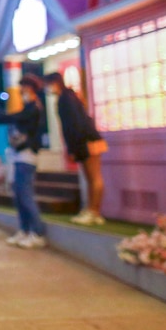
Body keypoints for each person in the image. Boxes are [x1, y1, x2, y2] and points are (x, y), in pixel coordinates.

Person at [0, 74, 48, 250]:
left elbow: (10, 118)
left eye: (23, 88)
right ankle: (25, 231)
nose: (21, 92)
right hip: (19, 156)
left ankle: (37, 233)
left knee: (25, 196)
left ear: (31, 89)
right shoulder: (29, 107)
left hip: (27, 157)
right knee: (19, 196)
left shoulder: (33, 108)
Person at [44, 72, 107, 226]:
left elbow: (75, 125)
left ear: (54, 82)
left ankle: (94, 211)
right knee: (90, 177)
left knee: (94, 177)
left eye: (47, 84)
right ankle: (91, 210)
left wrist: (74, 149)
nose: (46, 88)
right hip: (84, 142)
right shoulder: (67, 97)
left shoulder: (67, 98)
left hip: (88, 141)